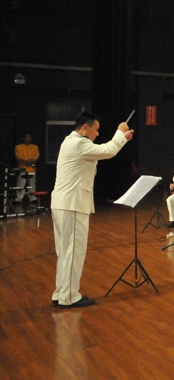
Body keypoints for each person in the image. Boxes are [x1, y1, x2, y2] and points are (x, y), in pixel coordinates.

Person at [51, 112, 134, 308]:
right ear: (85, 128)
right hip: (72, 204)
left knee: (65, 252)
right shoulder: (78, 144)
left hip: (64, 204)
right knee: (73, 251)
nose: (97, 134)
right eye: (96, 130)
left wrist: (121, 137)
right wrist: (120, 133)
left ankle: (62, 293)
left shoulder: (69, 141)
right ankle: (68, 297)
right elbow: (108, 150)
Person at [14, 133, 40, 198]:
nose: (28, 139)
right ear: (23, 138)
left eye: (29, 137)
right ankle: (19, 198)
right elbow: (17, 156)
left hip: (32, 168)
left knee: (32, 184)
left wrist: (32, 161)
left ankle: (32, 197)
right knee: (21, 184)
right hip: (22, 168)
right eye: (26, 137)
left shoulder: (35, 147)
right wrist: (25, 161)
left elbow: (36, 155)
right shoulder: (18, 147)